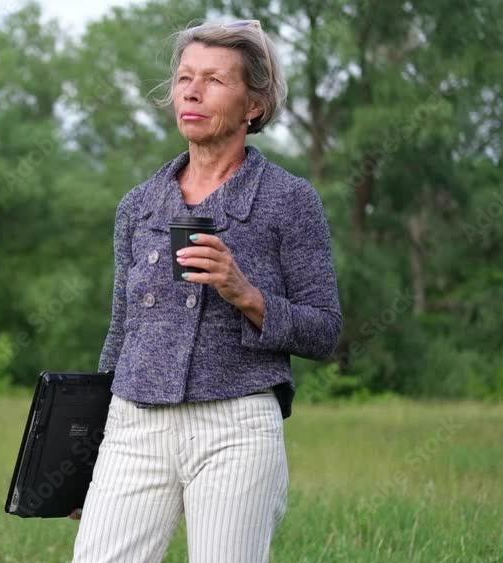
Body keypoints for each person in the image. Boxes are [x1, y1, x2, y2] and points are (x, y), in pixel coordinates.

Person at [69, 19, 343, 563]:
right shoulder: (139, 206)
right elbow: (121, 331)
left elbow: (325, 330)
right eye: (185, 78)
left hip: (236, 427)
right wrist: (85, 453)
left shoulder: (290, 201)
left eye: (215, 80)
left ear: (254, 105)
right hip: (133, 423)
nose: (192, 91)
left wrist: (245, 292)